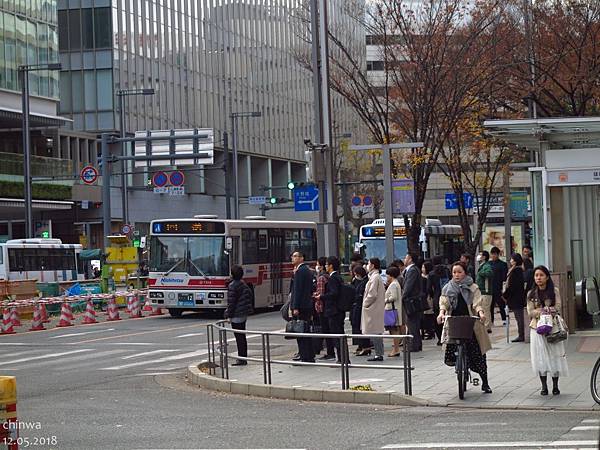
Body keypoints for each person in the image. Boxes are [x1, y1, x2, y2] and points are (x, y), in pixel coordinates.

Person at [437, 261, 493, 394]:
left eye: (459, 272)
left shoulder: (473, 287)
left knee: (478, 353)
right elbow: (444, 302)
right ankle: (459, 367)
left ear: (465, 273)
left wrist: (480, 313)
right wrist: (441, 313)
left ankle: (484, 382)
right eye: (454, 272)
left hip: (470, 322)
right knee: (452, 347)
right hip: (454, 321)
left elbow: (477, 303)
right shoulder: (447, 287)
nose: (456, 275)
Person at [527, 265, 569, 395]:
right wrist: (540, 312)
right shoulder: (531, 293)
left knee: (555, 355)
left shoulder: (554, 291)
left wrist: (549, 310)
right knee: (540, 357)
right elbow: (530, 312)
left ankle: (555, 386)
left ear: (547, 277)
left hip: (553, 327)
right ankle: (544, 386)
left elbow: (558, 306)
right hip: (537, 328)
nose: (538, 278)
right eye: (536, 275)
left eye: (541, 275)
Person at [224, 265, 254, 366]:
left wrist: (228, 315)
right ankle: (243, 357)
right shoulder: (243, 284)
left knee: (239, 337)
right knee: (242, 337)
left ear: (232, 274)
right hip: (243, 314)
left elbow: (231, 303)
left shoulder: (232, 286)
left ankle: (241, 359)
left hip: (236, 315)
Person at [319, 256, 346, 363]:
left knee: (337, 336)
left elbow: (334, 293)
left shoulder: (333, 278)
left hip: (334, 311)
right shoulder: (338, 276)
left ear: (330, 266)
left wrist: (321, 296)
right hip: (338, 310)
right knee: (339, 335)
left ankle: (342, 359)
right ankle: (343, 358)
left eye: (326, 264)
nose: (325, 266)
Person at [290, 251, 315, 363]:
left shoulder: (300, 271)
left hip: (301, 306)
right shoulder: (307, 270)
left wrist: (295, 307)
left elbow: (297, 290)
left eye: (295, 256)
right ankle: (308, 355)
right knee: (305, 330)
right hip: (307, 304)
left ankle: (305, 355)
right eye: (293, 256)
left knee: (301, 331)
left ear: (301, 258)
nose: (293, 258)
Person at [361, 257, 386, 362]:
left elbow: (372, 294)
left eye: (368, 263)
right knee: (376, 332)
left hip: (373, 308)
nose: (367, 265)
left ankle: (379, 354)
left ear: (373, 265)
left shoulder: (375, 277)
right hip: (374, 308)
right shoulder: (374, 277)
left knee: (376, 332)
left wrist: (365, 304)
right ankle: (378, 353)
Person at [401, 252, 423, 352]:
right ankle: (415, 344)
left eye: (405, 258)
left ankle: (414, 345)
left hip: (412, 301)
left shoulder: (413, 270)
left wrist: (403, 296)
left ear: (410, 259)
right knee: (412, 323)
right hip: (412, 300)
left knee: (413, 323)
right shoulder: (410, 270)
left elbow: (408, 286)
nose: (404, 260)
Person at [503, 253, 526, 342]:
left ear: (515, 260)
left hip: (516, 298)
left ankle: (522, 335)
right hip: (517, 297)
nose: (510, 261)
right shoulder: (517, 270)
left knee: (519, 317)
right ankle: (521, 334)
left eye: (512, 259)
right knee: (518, 317)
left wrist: (505, 294)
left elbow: (512, 286)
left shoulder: (516, 271)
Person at [312, 257, 330, 358]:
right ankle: (330, 351)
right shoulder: (327, 276)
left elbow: (320, 294)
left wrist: (314, 295)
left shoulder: (321, 278)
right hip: (327, 307)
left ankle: (329, 352)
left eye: (318, 264)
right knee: (327, 329)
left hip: (321, 307)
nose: (316, 266)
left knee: (325, 330)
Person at [351, 265, 371, 355]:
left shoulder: (365, 282)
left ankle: (365, 346)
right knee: (356, 326)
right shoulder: (357, 281)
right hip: (356, 307)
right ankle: (360, 345)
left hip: (360, 307)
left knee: (361, 327)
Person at [384, 265, 404, 357]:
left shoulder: (393, 285)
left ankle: (396, 349)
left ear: (391, 275)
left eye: (387, 275)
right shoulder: (396, 283)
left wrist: (386, 299)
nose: (386, 277)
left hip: (392, 310)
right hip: (394, 309)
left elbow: (394, 297)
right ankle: (395, 348)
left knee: (394, 330)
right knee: (393, 330)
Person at [489, 246, 508, 325]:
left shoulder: (502, 264)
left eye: (495, 254)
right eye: (492, 254)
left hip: (499, 287)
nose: (493, 256)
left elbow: (504, 277)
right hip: (490, 288)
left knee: (501, 304)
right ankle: (491, 321)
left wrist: (503, 287)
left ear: (498, 254)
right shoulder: (488, 264)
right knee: (490, 305)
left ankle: (504, 319)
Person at [476, 250, 494, 333]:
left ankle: (487, 327)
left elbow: (489, 273)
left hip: (485, 291)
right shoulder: (482, 265)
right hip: (482, 291)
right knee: (484, 309)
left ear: (484, 257)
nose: (479, 256)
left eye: (480, 254)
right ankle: (485, 326)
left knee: (485, 309)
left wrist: (481, 273)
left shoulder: (486, 266)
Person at [421, 261, 437, 341]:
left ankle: (430, 331)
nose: (422, 269)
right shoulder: (423, 276)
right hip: (427, 297)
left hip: (429, 297)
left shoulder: (430, 276)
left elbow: (429, 288)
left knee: (429, 315)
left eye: (423, 267)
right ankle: (428, 331)